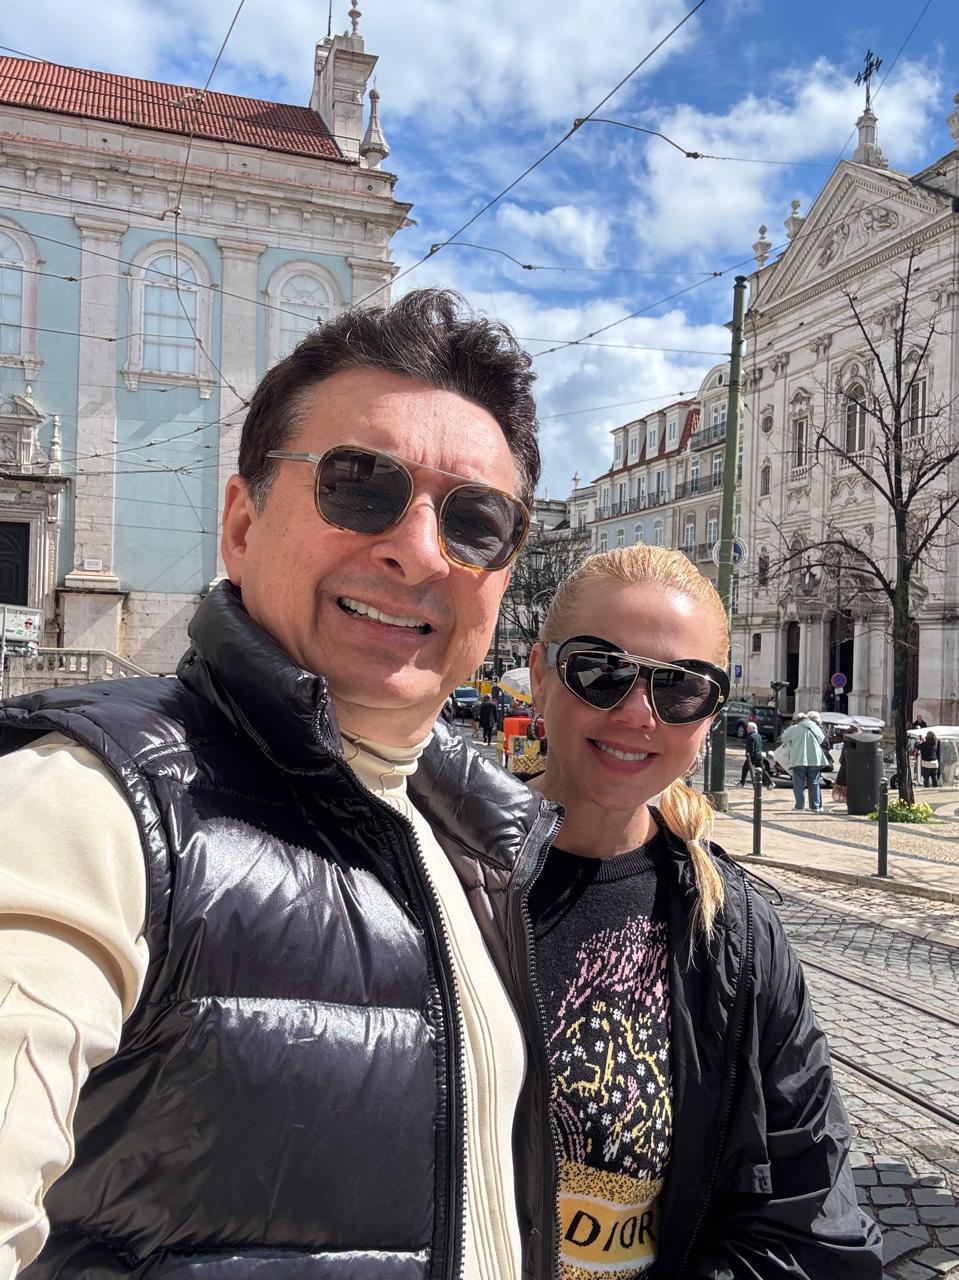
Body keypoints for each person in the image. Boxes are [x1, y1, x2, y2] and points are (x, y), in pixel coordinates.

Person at [0, 289, 568, 1279]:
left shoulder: (477, 837)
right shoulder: (88, 804)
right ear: (240, 521)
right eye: (359, 484)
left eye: (476, 520)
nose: (418, 550)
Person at [523, 544, 880, 1278]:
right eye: (600, 670)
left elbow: (808, 1213)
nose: (636, 713)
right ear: (539, 673)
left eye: (681, 688)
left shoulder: (734, 931)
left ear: (711, 714)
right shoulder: (430, 873)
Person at [781, 710, 828, 811]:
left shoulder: (794, 728)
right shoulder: (815, 727)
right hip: (815, 759)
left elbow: (783, 738)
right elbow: (822, 739)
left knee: (799, 784)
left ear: (796, 720)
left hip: (799, 758)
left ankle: (799, 806)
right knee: (814, 783)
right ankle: (815, 806)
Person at [739, 719, 772, 787]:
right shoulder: (759, 736)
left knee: (745, 769)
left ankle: (742, 783)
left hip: (752, 756)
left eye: (748, 728)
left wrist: (748, 756)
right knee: (763, 770)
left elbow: (750, 748)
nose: (747, 729)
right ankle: (771, 783)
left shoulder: (751, 737)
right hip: (759, 755)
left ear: (751, 729)